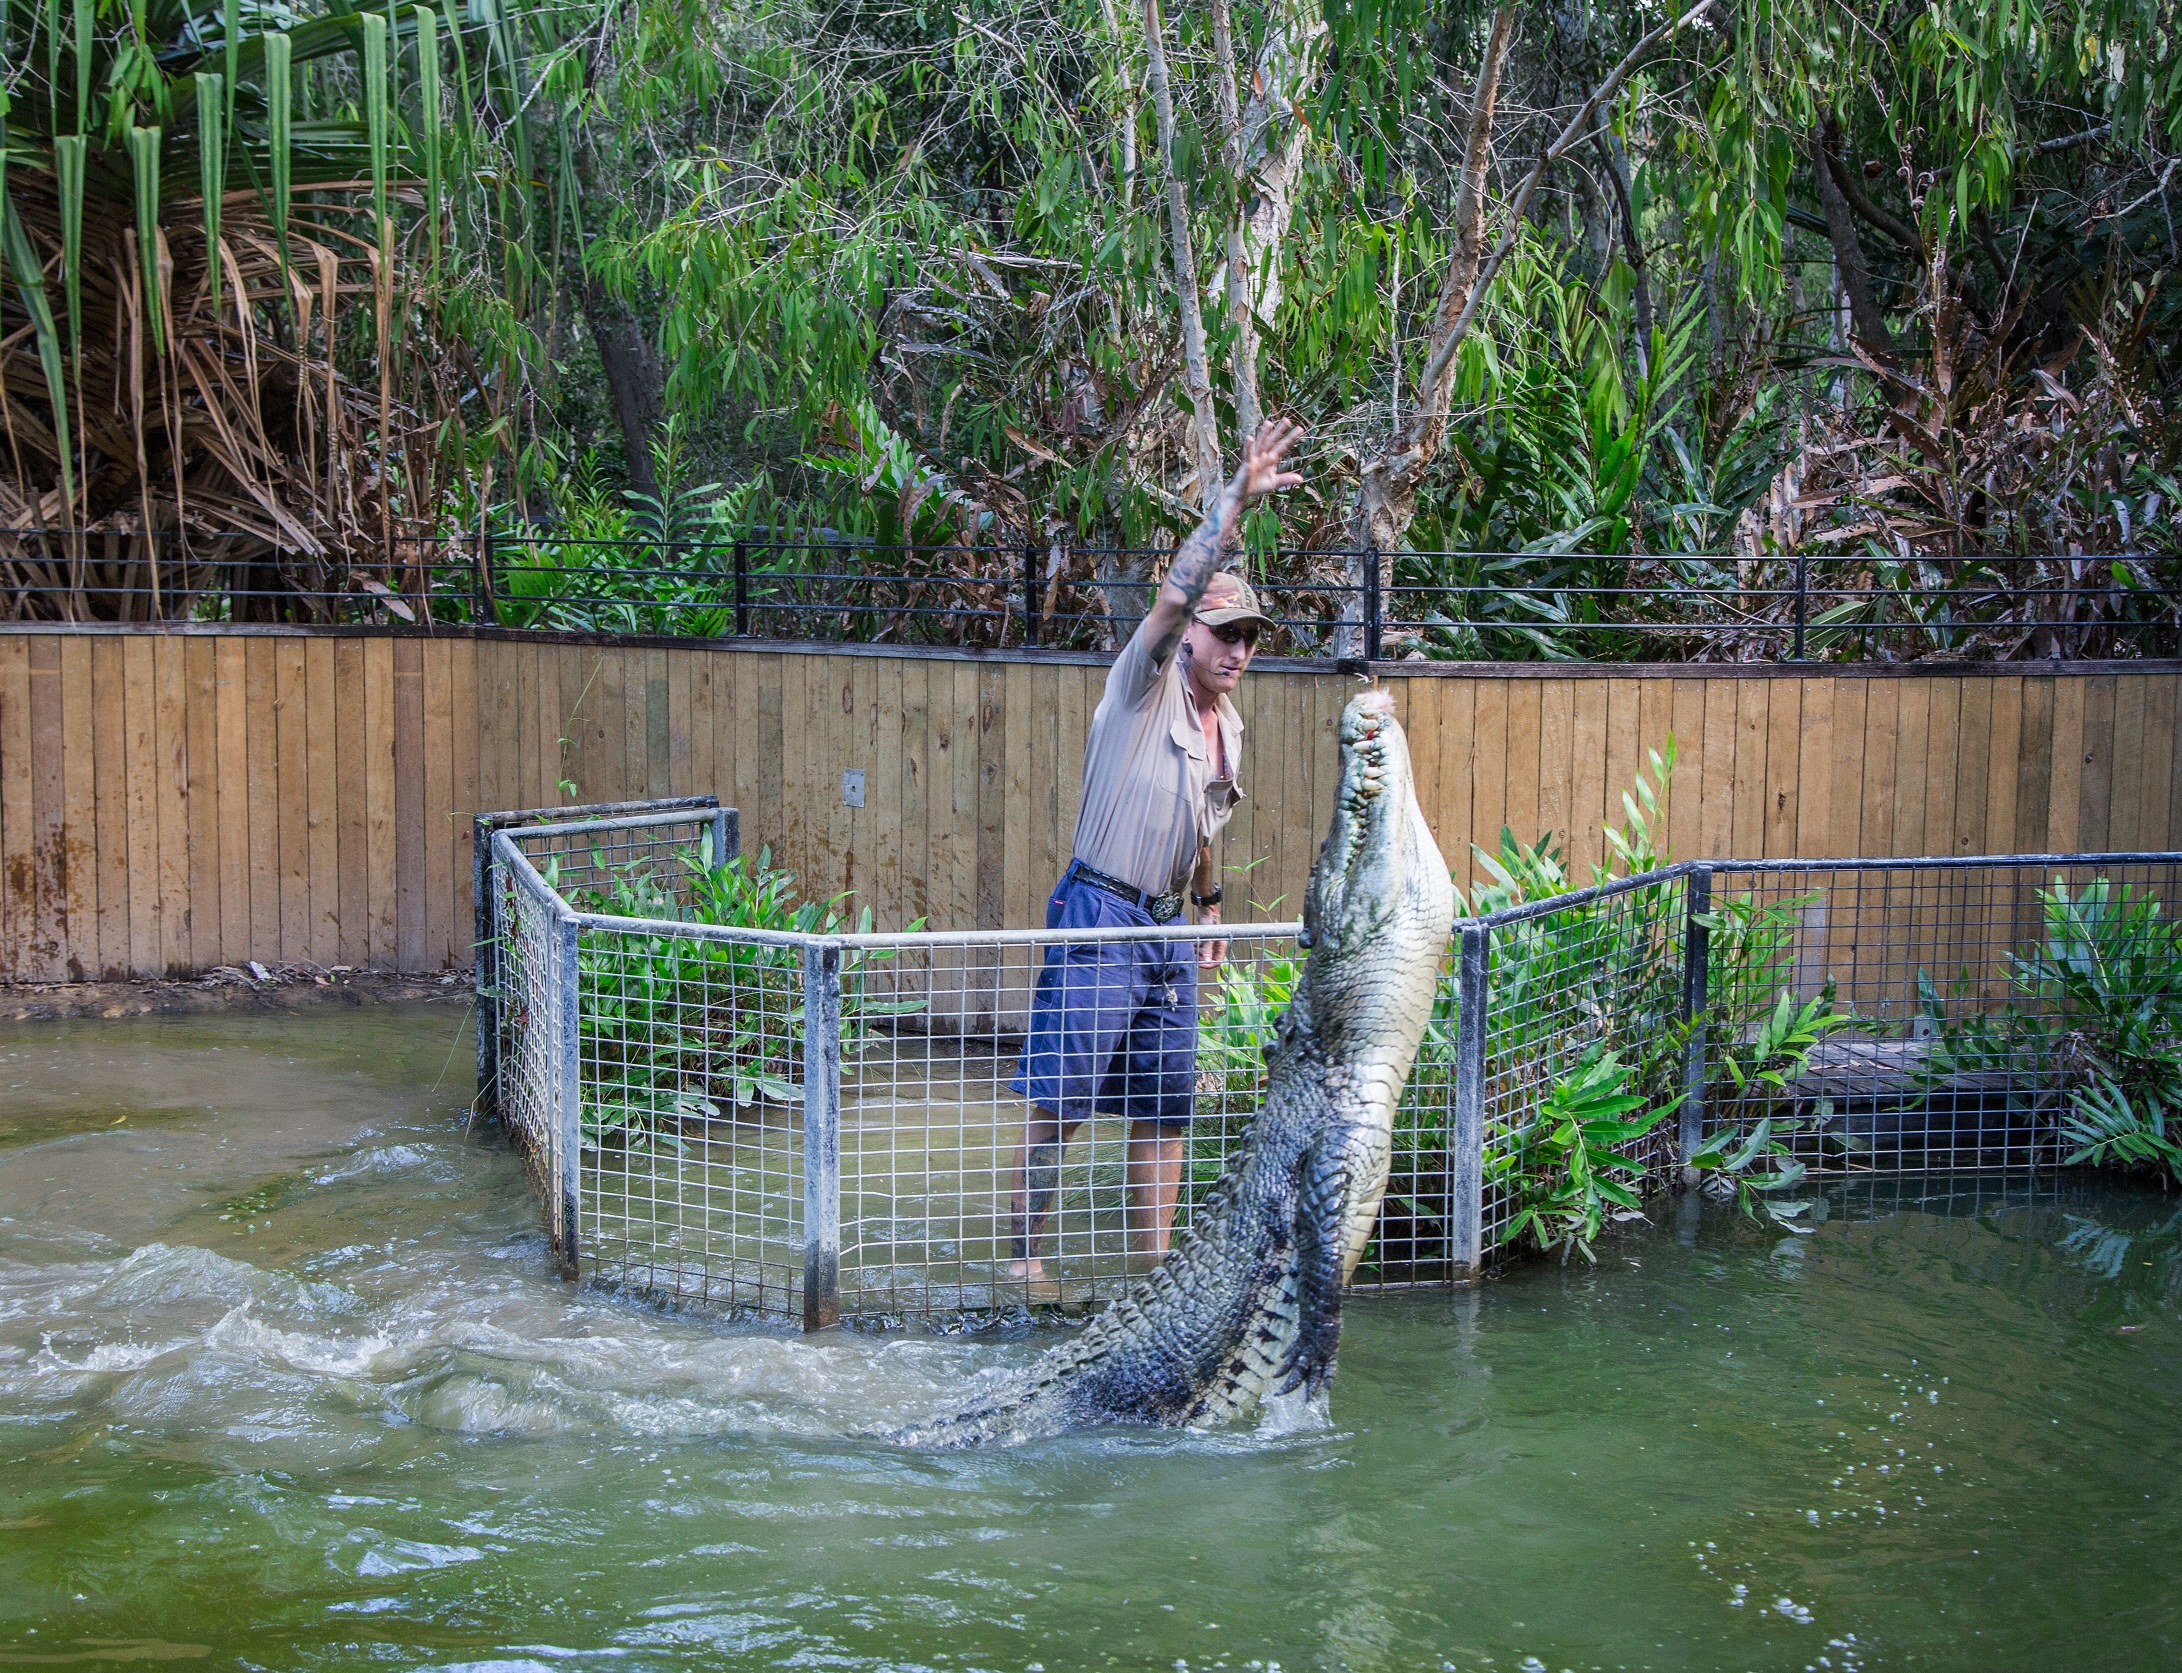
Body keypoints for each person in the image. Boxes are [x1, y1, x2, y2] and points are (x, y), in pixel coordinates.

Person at [1004, 417, 1307, 1290]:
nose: (1238, 650)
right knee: (1060, 1101)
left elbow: (1204, 825)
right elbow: (1174, 599)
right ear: (1193, 638)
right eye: (1226, 634)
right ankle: (1024, 1260)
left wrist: (1208, 906)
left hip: (1165, 927)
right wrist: (1235, 501)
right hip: (1099, 908)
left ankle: (1155, 1275)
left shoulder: (1231, 729)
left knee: (1165, 1108)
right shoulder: (1142, 686)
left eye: (1250, 638)